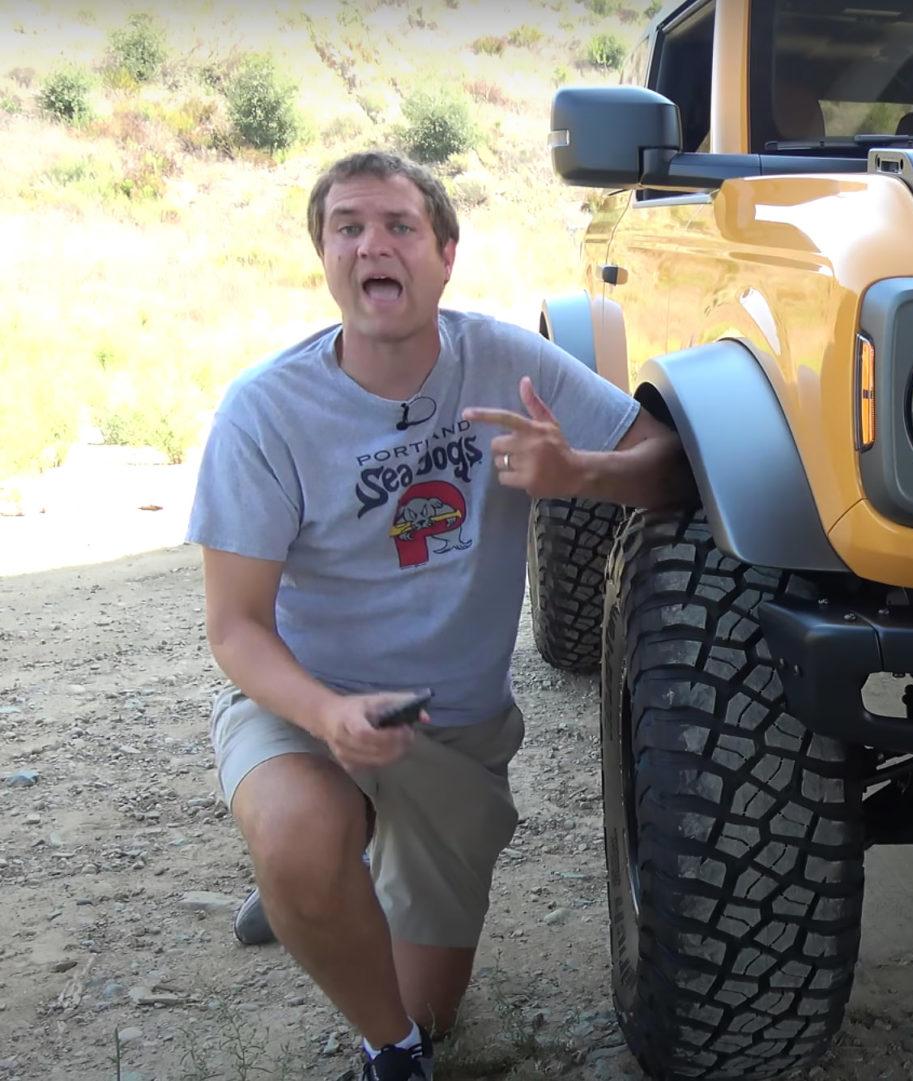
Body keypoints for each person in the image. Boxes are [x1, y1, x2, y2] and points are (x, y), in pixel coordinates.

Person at [188, 150, 689, 1081]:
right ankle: (388, 1042)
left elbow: (667, 465)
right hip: (310, 707)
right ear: (326, 256)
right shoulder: (264, 412)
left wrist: (580, 474)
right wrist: (328, 715)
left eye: (400, 225)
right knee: (308, 845)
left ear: (446, 252)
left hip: (452, 733)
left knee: (436, 1002)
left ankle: (335, 892)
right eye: (349, 227)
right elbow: (237, 629)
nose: (374, 243)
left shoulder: (503, 360)